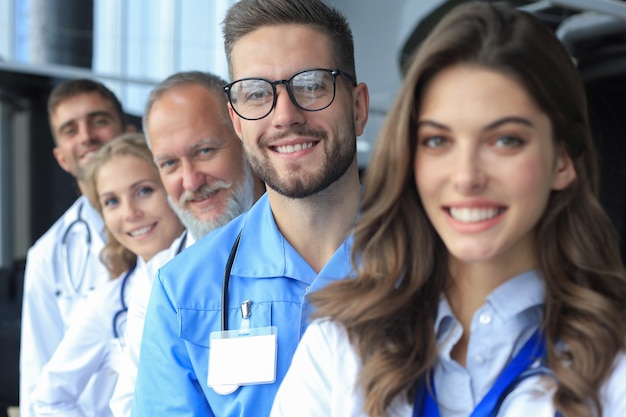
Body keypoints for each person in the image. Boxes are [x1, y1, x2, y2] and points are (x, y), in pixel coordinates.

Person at [270, 2, 626, 417]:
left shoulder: (614, 361)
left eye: (505, 140)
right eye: (438, 141)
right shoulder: (338, 346)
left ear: (562, 160)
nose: (466, 177)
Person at [131, 0, 369, 415]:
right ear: (238, 122)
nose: (285, 116)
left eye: (311, 84)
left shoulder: (432, 258)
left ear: (358, 107)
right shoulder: (184, 292)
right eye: (257, 93)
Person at [108, 71, 265, 417]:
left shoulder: (310, 242)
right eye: (169, 164)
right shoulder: (156, 283)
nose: (191, 180)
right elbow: (133, 406)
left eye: (205, 151)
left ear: (243, 137)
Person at [30, 133, 185, 417]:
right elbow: (48, 400)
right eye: (112, 202)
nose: (130, 213)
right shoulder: (109, 303)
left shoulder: (219, 270)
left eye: (144, 191)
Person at [20, 79, 135, 417]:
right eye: (70, 129)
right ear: (61, 158)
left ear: (129, 133)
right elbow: (37, 380)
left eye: (99, 120)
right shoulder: (48, 255)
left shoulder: (177, 223)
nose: (86, 136)